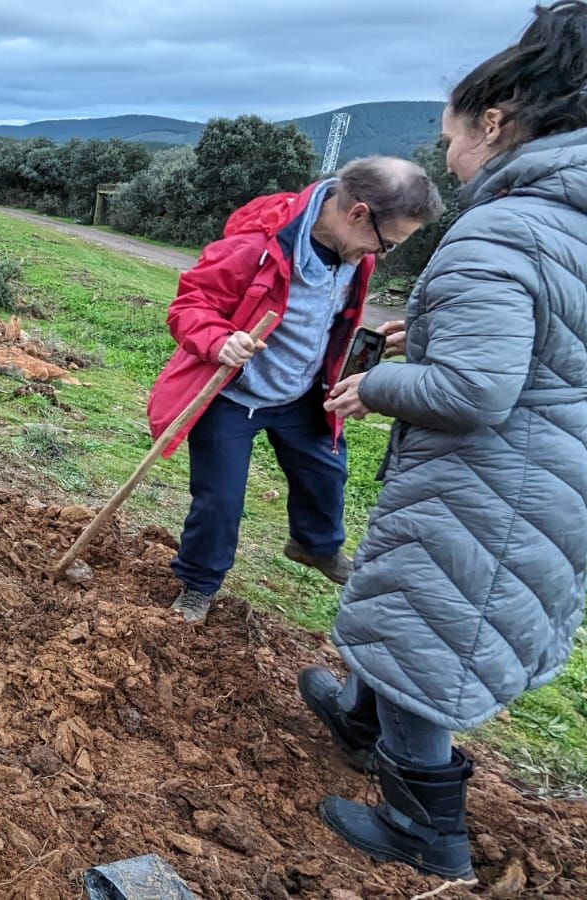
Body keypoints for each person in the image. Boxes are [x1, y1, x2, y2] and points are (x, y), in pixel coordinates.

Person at [300, 1, 587, 879]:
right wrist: (420, 342)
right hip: (552, 472)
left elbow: (473, 390)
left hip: (491, 485)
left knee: (432, 623)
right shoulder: (569, 225)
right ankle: (360, 717)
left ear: (495, 122)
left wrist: (382, 382)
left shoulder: (504, 226)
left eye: (451, 134)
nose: (449, 155)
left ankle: (429, 832)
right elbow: (547, 355)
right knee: (413, 610)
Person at [145, 156, 443, 625]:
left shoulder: (353, 253)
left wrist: (372, 347)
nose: (382, 255)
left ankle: (314, 545)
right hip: (233, 396)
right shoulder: (256, 245)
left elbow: (328, 319)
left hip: (301, 395)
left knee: (326, 473)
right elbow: (190, 305)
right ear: (357, 213)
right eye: (388, 243)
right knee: (219, 501)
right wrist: (219, 340)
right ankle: (198, 584)